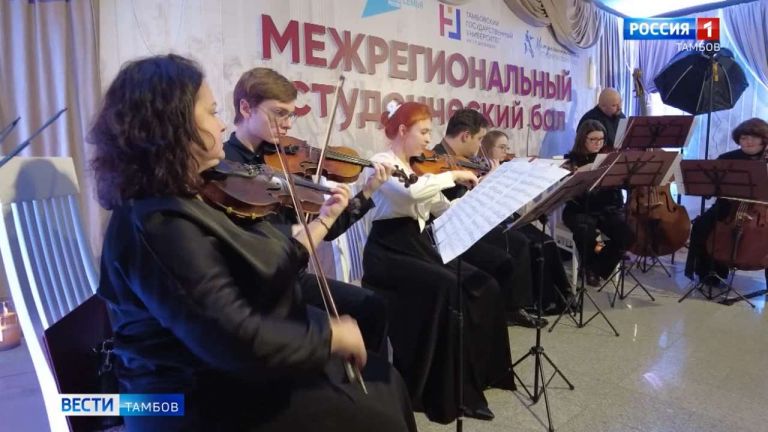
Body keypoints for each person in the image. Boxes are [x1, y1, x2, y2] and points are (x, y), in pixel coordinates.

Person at [90, 54, 417, 432]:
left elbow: (260, 260)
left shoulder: (187, 196)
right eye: (212, 112)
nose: (221, 123)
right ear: (171, 125)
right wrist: (328, 336)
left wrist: (326, 220)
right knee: (378, 410)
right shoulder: (156, 224)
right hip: (191, 399)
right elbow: (232, 340)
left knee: (385, 381)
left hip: (222, 371)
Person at [361, 102, 514, 423]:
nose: (430, 139)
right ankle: (439, 390)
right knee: (447, 286)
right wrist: (454, 174)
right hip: (388, 253)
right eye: (424, 132)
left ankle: (478, 374)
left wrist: (483, 192)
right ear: (403, 131)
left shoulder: (422, 167)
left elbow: (443, 209)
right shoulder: (381, 162)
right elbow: (411, 194)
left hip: (418, 246)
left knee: (482, 284)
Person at [224, 67, 392, 356]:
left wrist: (366, 192)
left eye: (292, 115)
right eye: (279, 113)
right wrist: (293, 231)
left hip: (292, 276)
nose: (288, 124)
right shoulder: (224, 167)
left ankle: (367, 380)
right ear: (246, 108)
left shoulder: (285, 160)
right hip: (257, 286)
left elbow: (328, 231)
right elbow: (239, 240)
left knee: (372, 307)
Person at [433, 110, 547, 327]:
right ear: (466, 136)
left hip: (470, 223)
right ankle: (494, 311)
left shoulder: (465, 160)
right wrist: (485, 185)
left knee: (520, 241)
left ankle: (514, 307)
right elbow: (447, 208)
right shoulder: (435, 159)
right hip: (452, 231)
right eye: (479, 139)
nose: (480, 145)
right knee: (502, 259)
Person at [480, 130, 575, 313]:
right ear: (487, 149)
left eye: (507, 147)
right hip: (495, 221)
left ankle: (564, 294)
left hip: (510, 215)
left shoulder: (507, 168)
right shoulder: (483, 171)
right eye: (501, 148)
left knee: (547, 242)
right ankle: (541, 301)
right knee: (532, 245)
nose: (505, 152)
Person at [685, 118, 768, 286]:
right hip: (729, 207)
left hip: (762, 210)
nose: (748, 141)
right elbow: (711, 185)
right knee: (702, 224)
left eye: (754, 137)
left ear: (764, 140)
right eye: (744, 138)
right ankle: (709, 272)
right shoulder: (727, 158)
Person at [563, 120, 633, 286]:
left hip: (607, 209)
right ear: (583, 139)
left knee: (626, 234)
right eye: (593, 139)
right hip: (579, 209)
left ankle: (594, 268)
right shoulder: (571, 161)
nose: (598, 143)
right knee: (586, 233)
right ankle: (590, 265)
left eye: (601, 139)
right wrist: (576, 173)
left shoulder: (609, 158)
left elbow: (622, 184)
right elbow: (567, 191)